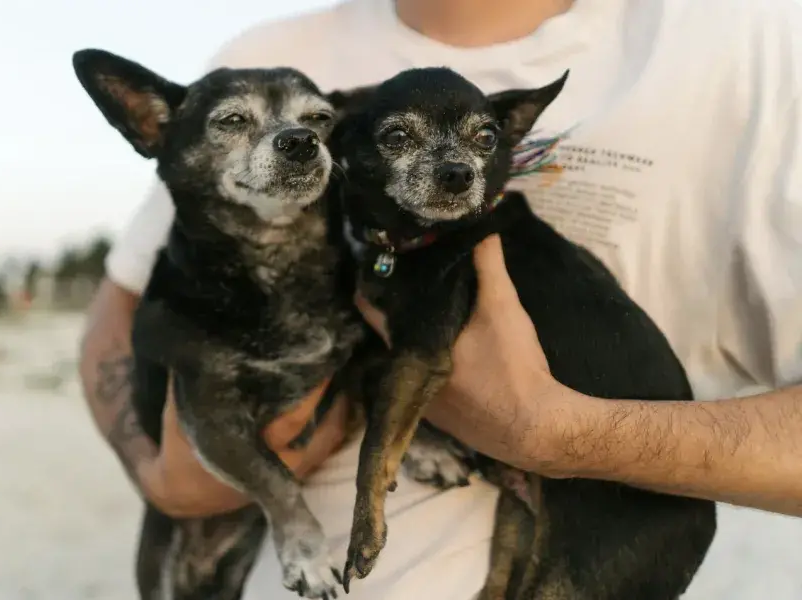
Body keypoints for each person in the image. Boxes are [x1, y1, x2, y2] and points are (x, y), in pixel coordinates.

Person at [78, 0, 802, 598]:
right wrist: (163, 477)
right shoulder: (269, 53)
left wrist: (553, 434)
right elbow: (120, 311)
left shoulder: (751, 44)